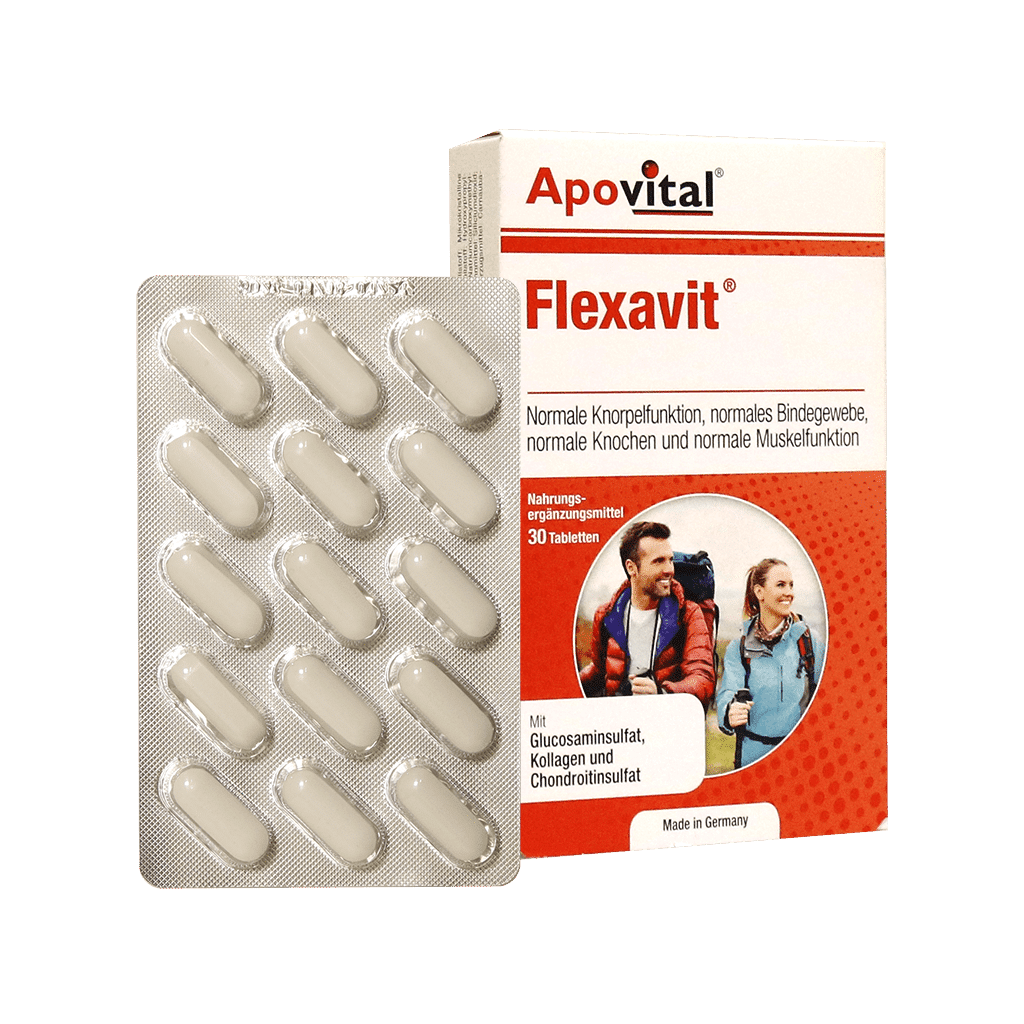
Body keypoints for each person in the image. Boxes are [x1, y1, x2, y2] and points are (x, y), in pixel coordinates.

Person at [579, 521, 715, 703]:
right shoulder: (606, 615)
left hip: (665, 716)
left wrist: (661, 693)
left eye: (670, 560)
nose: (669, 570)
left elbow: (702, 677)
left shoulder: (688, 613)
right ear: (631, 568)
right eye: (659, 561)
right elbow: (598, 671)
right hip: (619, 717)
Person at [717, 558, 822, 767]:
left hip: (799, 760)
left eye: (791, 585)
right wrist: (729, 711)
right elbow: (728, 692)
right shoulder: (739, 648)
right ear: (759, 592)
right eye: (781, 585)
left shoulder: (809, 642)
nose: (789, 593)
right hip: (752, 761)